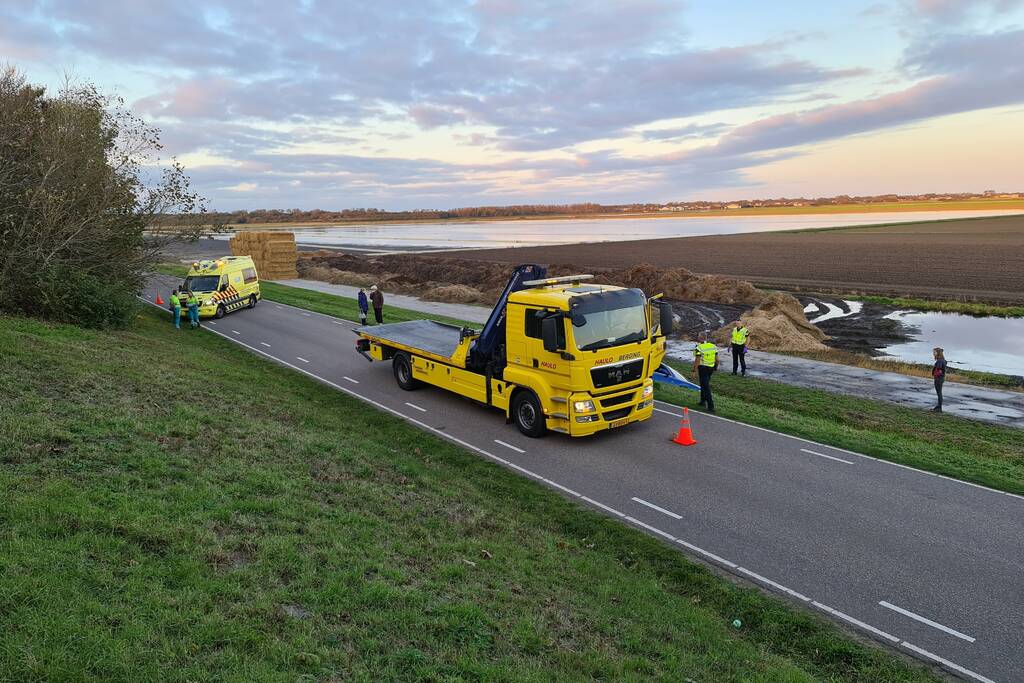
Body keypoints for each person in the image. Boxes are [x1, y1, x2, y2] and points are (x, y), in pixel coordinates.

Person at [692, 331, 719, 413]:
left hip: (703, 368)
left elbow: (697, 360)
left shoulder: (699, 348)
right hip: (710, 368)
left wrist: (694, 371)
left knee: (706, 387)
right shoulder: (713, 346)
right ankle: (702, 401)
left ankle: (711, 406)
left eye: (698, 336)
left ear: (700, 338)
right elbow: (717, 359)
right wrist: (715, 367)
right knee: (703, 385)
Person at [932, 347, 947, 412]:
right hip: (940, 378)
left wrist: (936, 372)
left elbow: (939, 368)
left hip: (939, 378)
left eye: (934, 352)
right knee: (939, 393)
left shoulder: (940, 360)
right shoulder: (942, 360)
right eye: (933, 352)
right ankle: (938, 406)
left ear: (938, 353)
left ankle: (939, 407)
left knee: (939, 393)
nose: (933, 353)